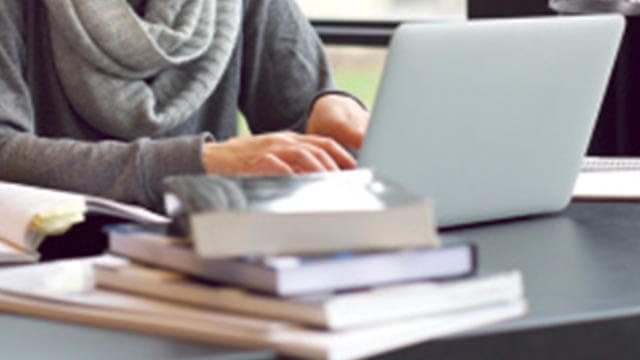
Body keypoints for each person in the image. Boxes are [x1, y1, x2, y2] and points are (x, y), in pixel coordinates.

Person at [0, 0, 370, 211]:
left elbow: (301, 123)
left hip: (209, 262)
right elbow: (5, 151)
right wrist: (200, 163)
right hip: (54, 267)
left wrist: (326, 108)